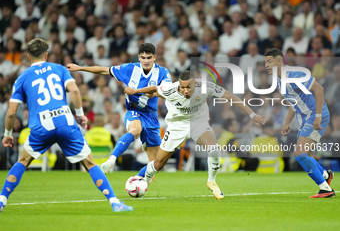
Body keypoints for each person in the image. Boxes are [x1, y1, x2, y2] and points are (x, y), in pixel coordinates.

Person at [0, 38, 133, 212]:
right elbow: (75, 90)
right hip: (65, 121)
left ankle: (2, 201)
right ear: (46, 54)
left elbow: (11, 113)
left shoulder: (21, 78)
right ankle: (114, 202)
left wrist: (8, 133)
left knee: (23, 161)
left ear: (28, 55)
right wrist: (80, 115)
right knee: (90, 163)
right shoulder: (59, 69)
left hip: (42, 124)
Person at [124, 71, 266, 199]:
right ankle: (144, 183)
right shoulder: (170, 89)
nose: (185, 90)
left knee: (214, 148)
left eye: (189, 87)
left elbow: (231, 96)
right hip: (177, 126)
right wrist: (136, 91)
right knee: (158, 164)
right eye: (182, 87)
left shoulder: (206, 87)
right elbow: (155, 89)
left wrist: (252, 114)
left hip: (198, 123)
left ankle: (211, 181)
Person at [67, 43, 172, 176]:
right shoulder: (129, 68)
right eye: (143, 57)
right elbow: (105, 70)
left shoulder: (163, 72)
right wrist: (81, 68)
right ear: (139, 57)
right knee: (135, 130)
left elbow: (167, 91)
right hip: (134, 111)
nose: (146, 61)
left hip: (151, 116)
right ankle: (111, 160)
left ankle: (140, 183)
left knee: (156, 164)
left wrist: (154, 93)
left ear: (154, 57)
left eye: (149, 57)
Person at [264, 48, 335, 198]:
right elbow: (293, 101)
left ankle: (325, 189)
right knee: (306, 154)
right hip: (304, 117)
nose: (266, 65)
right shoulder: (278, 79)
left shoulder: (294, 74)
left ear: (279, 61)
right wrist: (287, 122)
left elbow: (319, 89)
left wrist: (318, 116)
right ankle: (325, 174)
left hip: (315, 114)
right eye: (265, 62)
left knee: (299, 153)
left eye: (269, 61)